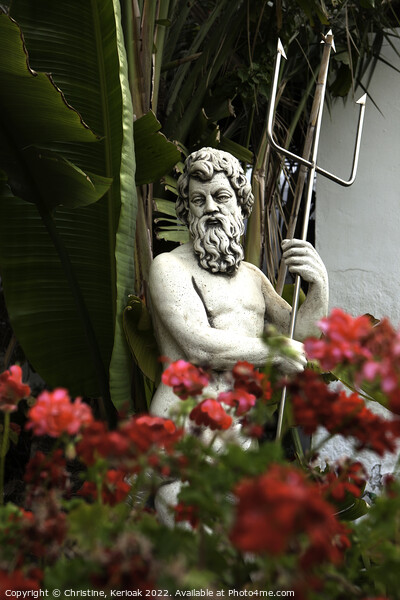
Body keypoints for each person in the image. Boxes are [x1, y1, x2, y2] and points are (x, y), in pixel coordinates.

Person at [148, 147, 328, 522]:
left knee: (245, 564)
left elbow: (305, 339)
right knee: (192, 567)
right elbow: (199, 346)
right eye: (199, 199)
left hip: (239, 439)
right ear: (187, 212)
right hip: (187, 433)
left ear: (241, 207)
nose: (211, 207)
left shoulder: (253, 278)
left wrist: (319, 287)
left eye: (221, 196)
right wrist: (276, 352)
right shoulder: (168, 268)